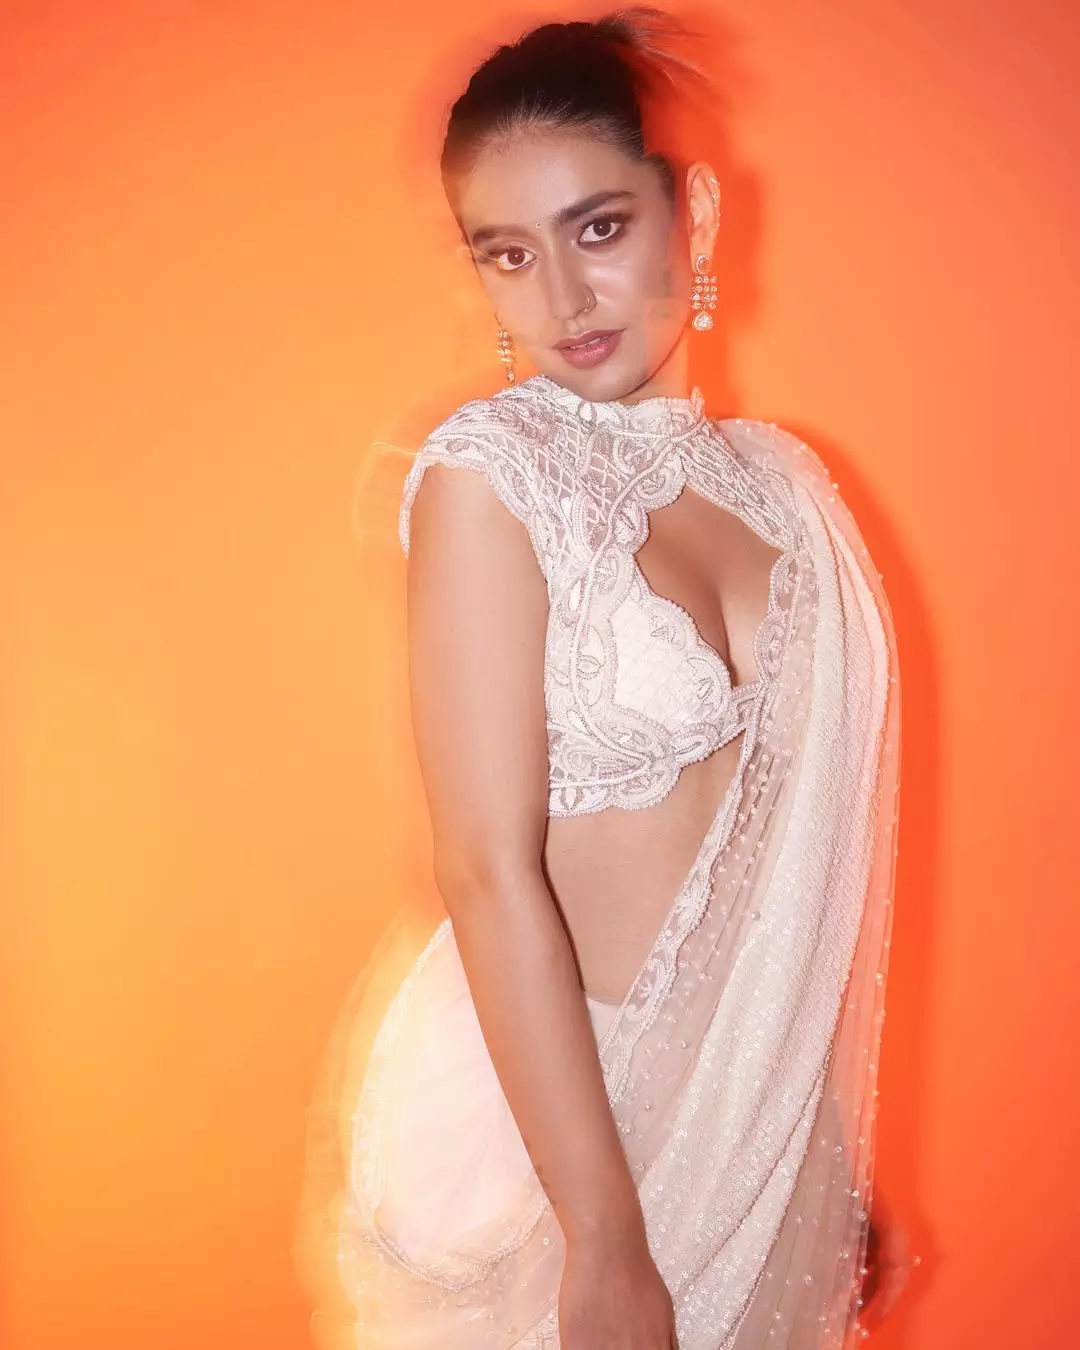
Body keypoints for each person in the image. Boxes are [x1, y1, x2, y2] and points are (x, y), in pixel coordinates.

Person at [296, 9, 902, 1349]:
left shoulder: (786, 492)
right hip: (557, 1136)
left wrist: (814, 1138)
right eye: (509, 253)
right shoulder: (489, 478)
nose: (562, 300)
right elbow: (484, 868)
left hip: (745, 1107)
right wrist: (604, 1240)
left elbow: (779, 863)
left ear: (694, 214)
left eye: (600, 228)